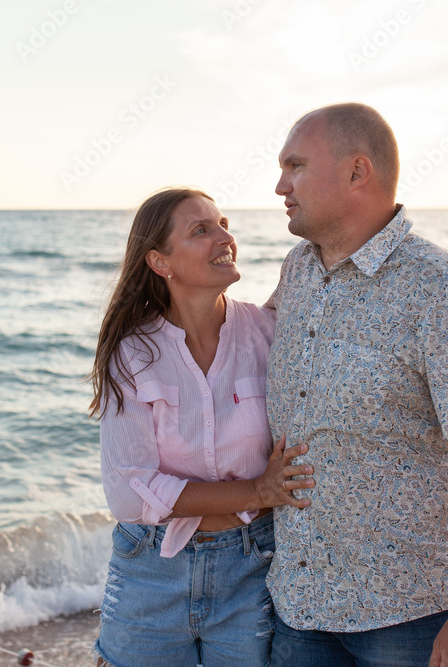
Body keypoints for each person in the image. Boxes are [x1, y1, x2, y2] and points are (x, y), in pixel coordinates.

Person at [264, 103, 448, 667]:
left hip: (408, 618)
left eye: (296, 166)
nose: (280, 184)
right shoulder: (298, 268)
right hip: (298, 607)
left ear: (358, 172)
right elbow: (236, 345)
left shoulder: (442, 291)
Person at [89, 187, 316, 667]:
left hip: (252, 567)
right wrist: (257, 491)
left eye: (224, 225)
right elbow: (128, 495)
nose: (224, 238)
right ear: (159, 261)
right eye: (201, 230)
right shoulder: (132, 353)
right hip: (151, 572)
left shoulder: (268, 332)